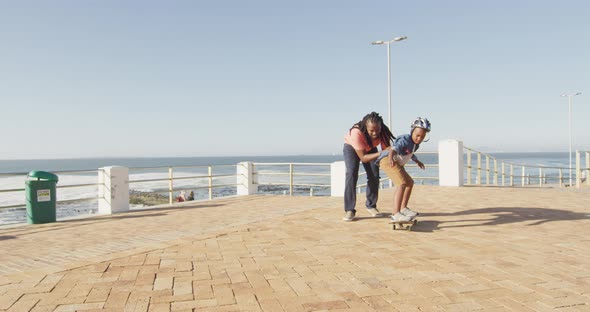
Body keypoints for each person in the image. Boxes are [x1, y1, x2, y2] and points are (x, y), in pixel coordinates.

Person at [342, 112, 395, 221]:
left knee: (374, 175)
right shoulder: (356, 133)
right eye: (371, 130)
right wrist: (381, 153)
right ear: (366, 127)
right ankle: (349, 210)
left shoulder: (383, 132)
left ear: (381, 127)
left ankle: (371, 205)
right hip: (352, 147)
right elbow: (364, 158)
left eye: (377, 130)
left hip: (370, 148)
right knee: (351, 173)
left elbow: (387, 151)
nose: (375, 133)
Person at [377, 117, 431, 222]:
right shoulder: (405, 140)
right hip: (388, 160)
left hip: (396, 162)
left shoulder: (416, 145)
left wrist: (417, 161)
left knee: (409, 182)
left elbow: (409, 153)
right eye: (418, 135)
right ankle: (395, 214)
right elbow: (394, 148)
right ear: (412, 131)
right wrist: (390, 158)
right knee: (401, 183)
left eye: (422, 136)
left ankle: (403, 208)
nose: (419, 138)